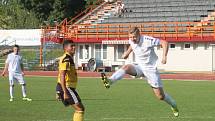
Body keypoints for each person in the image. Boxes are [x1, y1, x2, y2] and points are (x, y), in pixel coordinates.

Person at [101, 27, 179, 117]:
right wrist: (127, 53)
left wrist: (164, 56)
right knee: (126, 67)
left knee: (160, 96)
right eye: (130, 37)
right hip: (139, 67)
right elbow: (132, 45)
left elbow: (164, 42)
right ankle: (110, 81)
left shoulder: (147, 40)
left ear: (139, 35)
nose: (132, 39)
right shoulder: (131, 40)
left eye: (134, 37)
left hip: (151, 70)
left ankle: (173, 104)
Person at [56, 40, 85, 121]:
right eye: (71, 46)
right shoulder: (66, 59)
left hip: (67, 88)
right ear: (66, 48)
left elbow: (61, 75)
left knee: (80, 109)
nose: (74, 47)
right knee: (80, 109)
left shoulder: (68, 58)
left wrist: (58, 90)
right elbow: (62, 75)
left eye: (74, 46)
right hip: (67, 88)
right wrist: (64, 92)